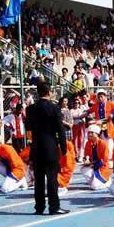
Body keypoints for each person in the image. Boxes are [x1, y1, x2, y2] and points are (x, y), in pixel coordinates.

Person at [25, 82, 69, 215]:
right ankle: (54, 207)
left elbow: (28, 127)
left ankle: (39, 207)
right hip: (50, 146)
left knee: (38, 179)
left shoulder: (31, 108)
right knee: (51, 178)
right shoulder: (54, 108)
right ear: (49, 92)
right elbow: (60, 129)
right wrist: (63, 146)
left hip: (36, 146)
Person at [87, 88, 114, 155]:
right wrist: (85, 113)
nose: (100, 98)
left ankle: (109, 155)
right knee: (100, 139)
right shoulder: (96, 105)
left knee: (108, 139)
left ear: (105, 96)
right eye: (99, 96)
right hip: (99, 124)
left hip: (107, 123)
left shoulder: (110, 104)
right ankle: (103, 154)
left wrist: (113, 114)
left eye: (101, 96)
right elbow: (89, 110)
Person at [82, 124, 112, 190]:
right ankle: (94, 181)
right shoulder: (88, 143)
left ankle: (107, 181)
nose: (89, 134)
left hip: (102, 167)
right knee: (84, 169)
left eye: (92, 133)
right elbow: (86, 156)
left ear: (97, 133)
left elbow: (104, 160)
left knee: (95, 187)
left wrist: (93, 165)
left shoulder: (103, 143)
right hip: (93, 165)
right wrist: (85, 161)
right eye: (89, 132)